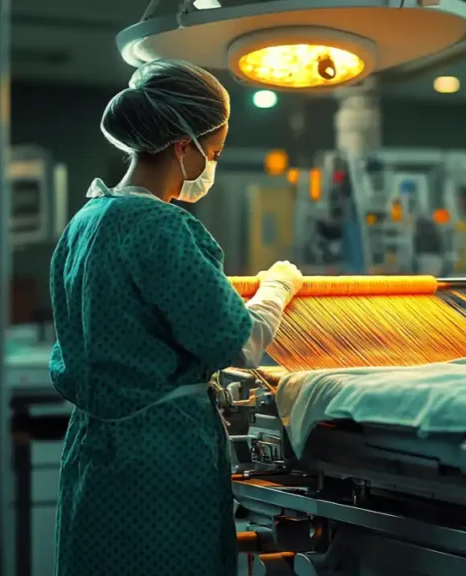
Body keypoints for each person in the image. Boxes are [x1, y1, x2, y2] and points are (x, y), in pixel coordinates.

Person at [49, 59, 302, 576]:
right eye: (213, 152)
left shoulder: (87, 220)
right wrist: (279, 286)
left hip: (94, 451)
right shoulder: (159, 228)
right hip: (160, 458)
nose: (212, 165)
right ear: (182, 146)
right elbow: (241, 342)